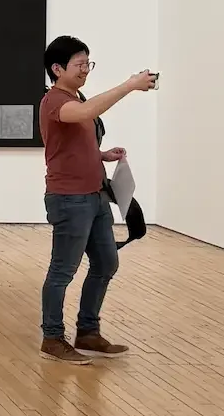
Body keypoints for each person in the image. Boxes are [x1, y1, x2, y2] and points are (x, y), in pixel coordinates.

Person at [37, 36, 155, 365]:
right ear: (57, 69)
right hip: (69, 199)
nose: (85, 70)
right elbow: (87, 112)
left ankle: (88, 332)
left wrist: (101, 154)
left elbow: (72, 140)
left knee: (106, 263)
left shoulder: (76, 96)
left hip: (95, 195)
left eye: (88, 64)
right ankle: (52, 337)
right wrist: (130, 84)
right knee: (62, 271)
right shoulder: (55, 102)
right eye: (79, 65)